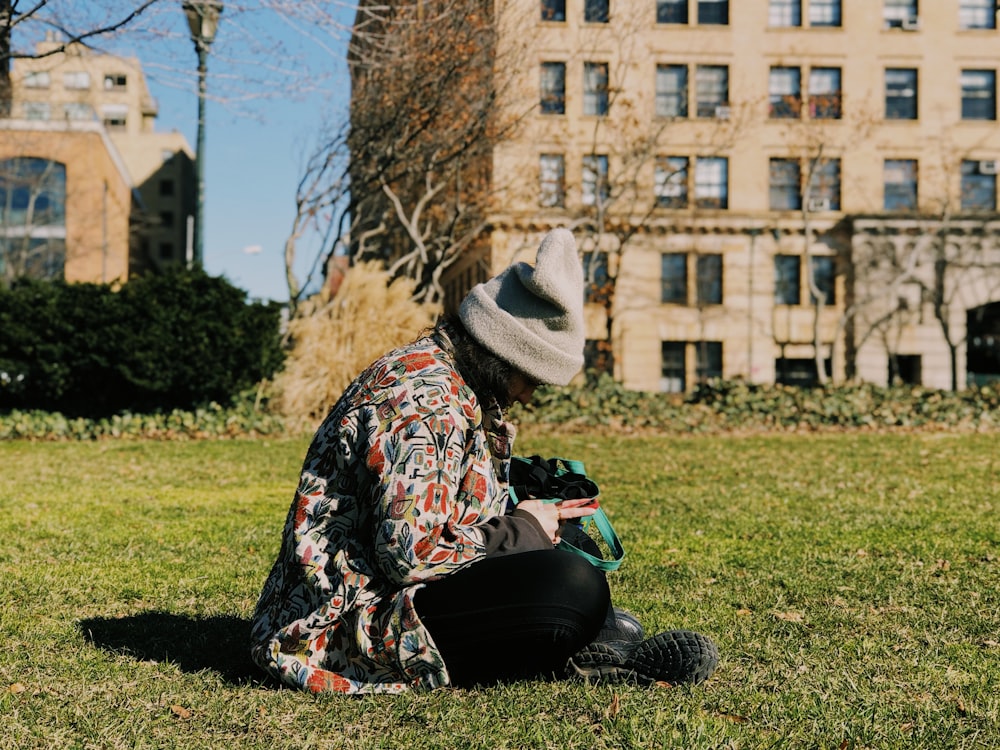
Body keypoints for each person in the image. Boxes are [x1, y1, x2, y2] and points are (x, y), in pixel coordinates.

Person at [250, 228, 719, 694]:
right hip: (342, 624)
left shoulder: (454, 381)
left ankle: (581, 635)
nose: (530, 398)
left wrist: (530, 497)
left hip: (388, 592)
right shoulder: (422, 401)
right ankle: (577, 638)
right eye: (533, 381)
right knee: (573, 585)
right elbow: (408, 556)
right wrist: (522, 531)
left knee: (566, 557)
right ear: (504, 355)